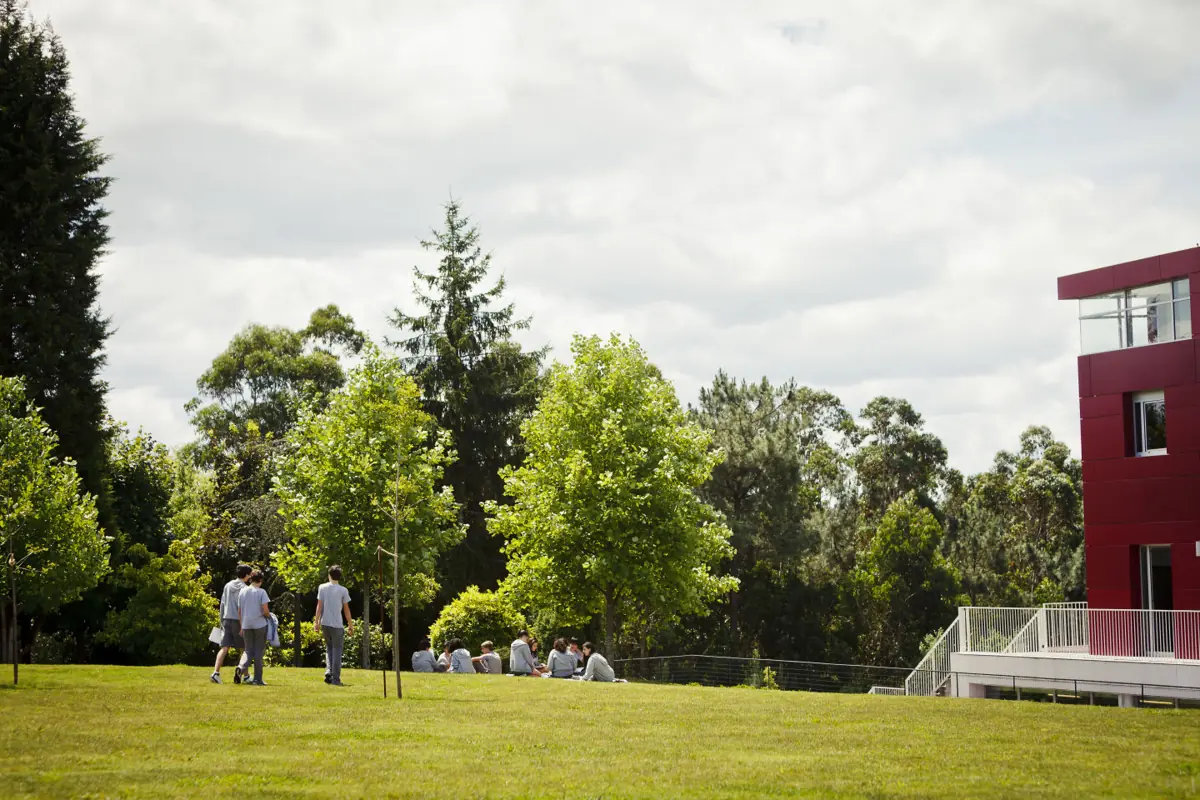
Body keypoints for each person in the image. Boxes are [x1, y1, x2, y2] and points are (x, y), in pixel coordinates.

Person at [313, 564, 354, 686]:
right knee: (337, 650)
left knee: (329, 648)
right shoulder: (343, 590)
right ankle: (335, 679)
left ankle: (328, 672)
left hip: (325, 623)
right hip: (337, 625)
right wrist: (350, 625)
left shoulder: (322, 587)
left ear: (329, 575)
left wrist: (316, 622)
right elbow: (346, 610)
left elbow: (319, 606)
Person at [211, 564, 252, 684]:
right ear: (246, 575)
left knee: (224, 647)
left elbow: (222, 604)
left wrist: (221, 621)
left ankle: (216, 673)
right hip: (238, 620)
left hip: (226, 618)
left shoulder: (228, 585)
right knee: (245, 648)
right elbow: (243, 607)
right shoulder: (245, 588)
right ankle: (246, 675)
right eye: (249, 574)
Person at [237, 569, 271, 686]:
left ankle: (241, 667)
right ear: (260, 580)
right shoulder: (261, 592)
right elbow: (265, 610)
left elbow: (240, 611)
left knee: (248, 650)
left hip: (246, 624)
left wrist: (242, 626)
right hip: (259, 624)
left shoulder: (242, 591)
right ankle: (257, 679)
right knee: (258, 652)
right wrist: (269, 616)